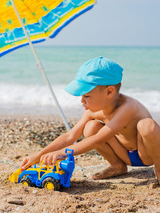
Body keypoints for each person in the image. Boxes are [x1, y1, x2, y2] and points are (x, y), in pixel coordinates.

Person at [20, 56, 160, 183]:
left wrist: (62, 152)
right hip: (124, 154)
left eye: (86, 96)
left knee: (147, 125)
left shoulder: (128, 107)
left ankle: (159, 168)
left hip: (147, 154)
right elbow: (70, 136)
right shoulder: (92, 112)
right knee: (90, 127)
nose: (82, 101)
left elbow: (99, 139)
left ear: (109, 92)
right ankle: (117, 165)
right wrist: (39, 155)